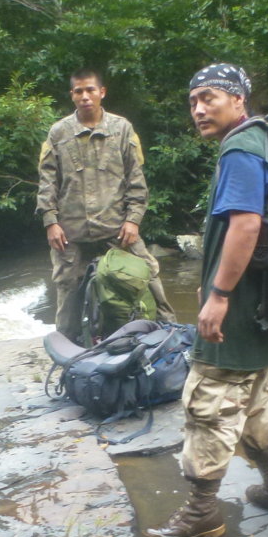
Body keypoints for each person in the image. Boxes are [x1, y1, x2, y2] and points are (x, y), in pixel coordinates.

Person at [147, 63, 268, 537]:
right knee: (253, 397)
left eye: (209, 97)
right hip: (265, 305)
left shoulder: (240, 147)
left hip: (240, 307)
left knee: (209, 401)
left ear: (239, 100)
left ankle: (201, 514)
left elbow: (246, 226)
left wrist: (218, 295)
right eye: (193, 101)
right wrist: (217, 283)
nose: (198, 109)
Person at [36, 68, 175, 342]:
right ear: (72, 95)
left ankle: (171, 336)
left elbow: (136, 180)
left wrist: (133, 220)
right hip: (71, 232)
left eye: (90, 90)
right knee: (67, 290)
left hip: (116, 229)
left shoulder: (121, 129)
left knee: (148, 274)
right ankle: (69, 352)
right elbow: (47, 182)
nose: (85, 96)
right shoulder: (58, 133)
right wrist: (50, 222)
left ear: (102, 92)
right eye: (79, 91)